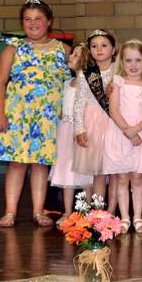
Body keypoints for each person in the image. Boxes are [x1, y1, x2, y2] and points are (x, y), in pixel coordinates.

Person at [0, 0, 69, 227]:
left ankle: (38, 211)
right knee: (17, 163)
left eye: (38, 19)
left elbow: (78, 80)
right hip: (18, 115)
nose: (33, 23)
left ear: (49, 22)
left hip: (48, 117)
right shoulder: (13, 49)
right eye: (27, 19)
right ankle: (10, 211)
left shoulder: (63, 50)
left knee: (40, 163)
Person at [103, 39, 142, 234]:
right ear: (122, 62)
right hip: (120, 132)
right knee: (121, 178)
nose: (133, 65)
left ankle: (137, 216)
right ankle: (125, 217)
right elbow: (114, 110)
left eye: (138, 60)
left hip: (141, 133)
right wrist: (127, 131)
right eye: (128, 60)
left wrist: (135, 130)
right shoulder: (117, 82)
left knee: (137, 178)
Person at [48, 42, 94, 227]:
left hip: (79, 130)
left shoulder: (86, 81)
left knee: (84, 173)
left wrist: (81, 128)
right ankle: (67, 211)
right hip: (65, 129)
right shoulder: (68, 82)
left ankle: (86, 210)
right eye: (72, 54)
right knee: (66, 171)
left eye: (75, 55)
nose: (70, 58)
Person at [73, 30, 119, 210]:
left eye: (104, 45)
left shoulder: (120, 70)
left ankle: (113, 211)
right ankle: (98, 211)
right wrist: (79, 129)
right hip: (93, 123)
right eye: (94, 46)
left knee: (116, 172)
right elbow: (79, 103)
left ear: (114, 49)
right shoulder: (86, 74)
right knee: (99, 173)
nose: (99, 50)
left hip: (114, 123)